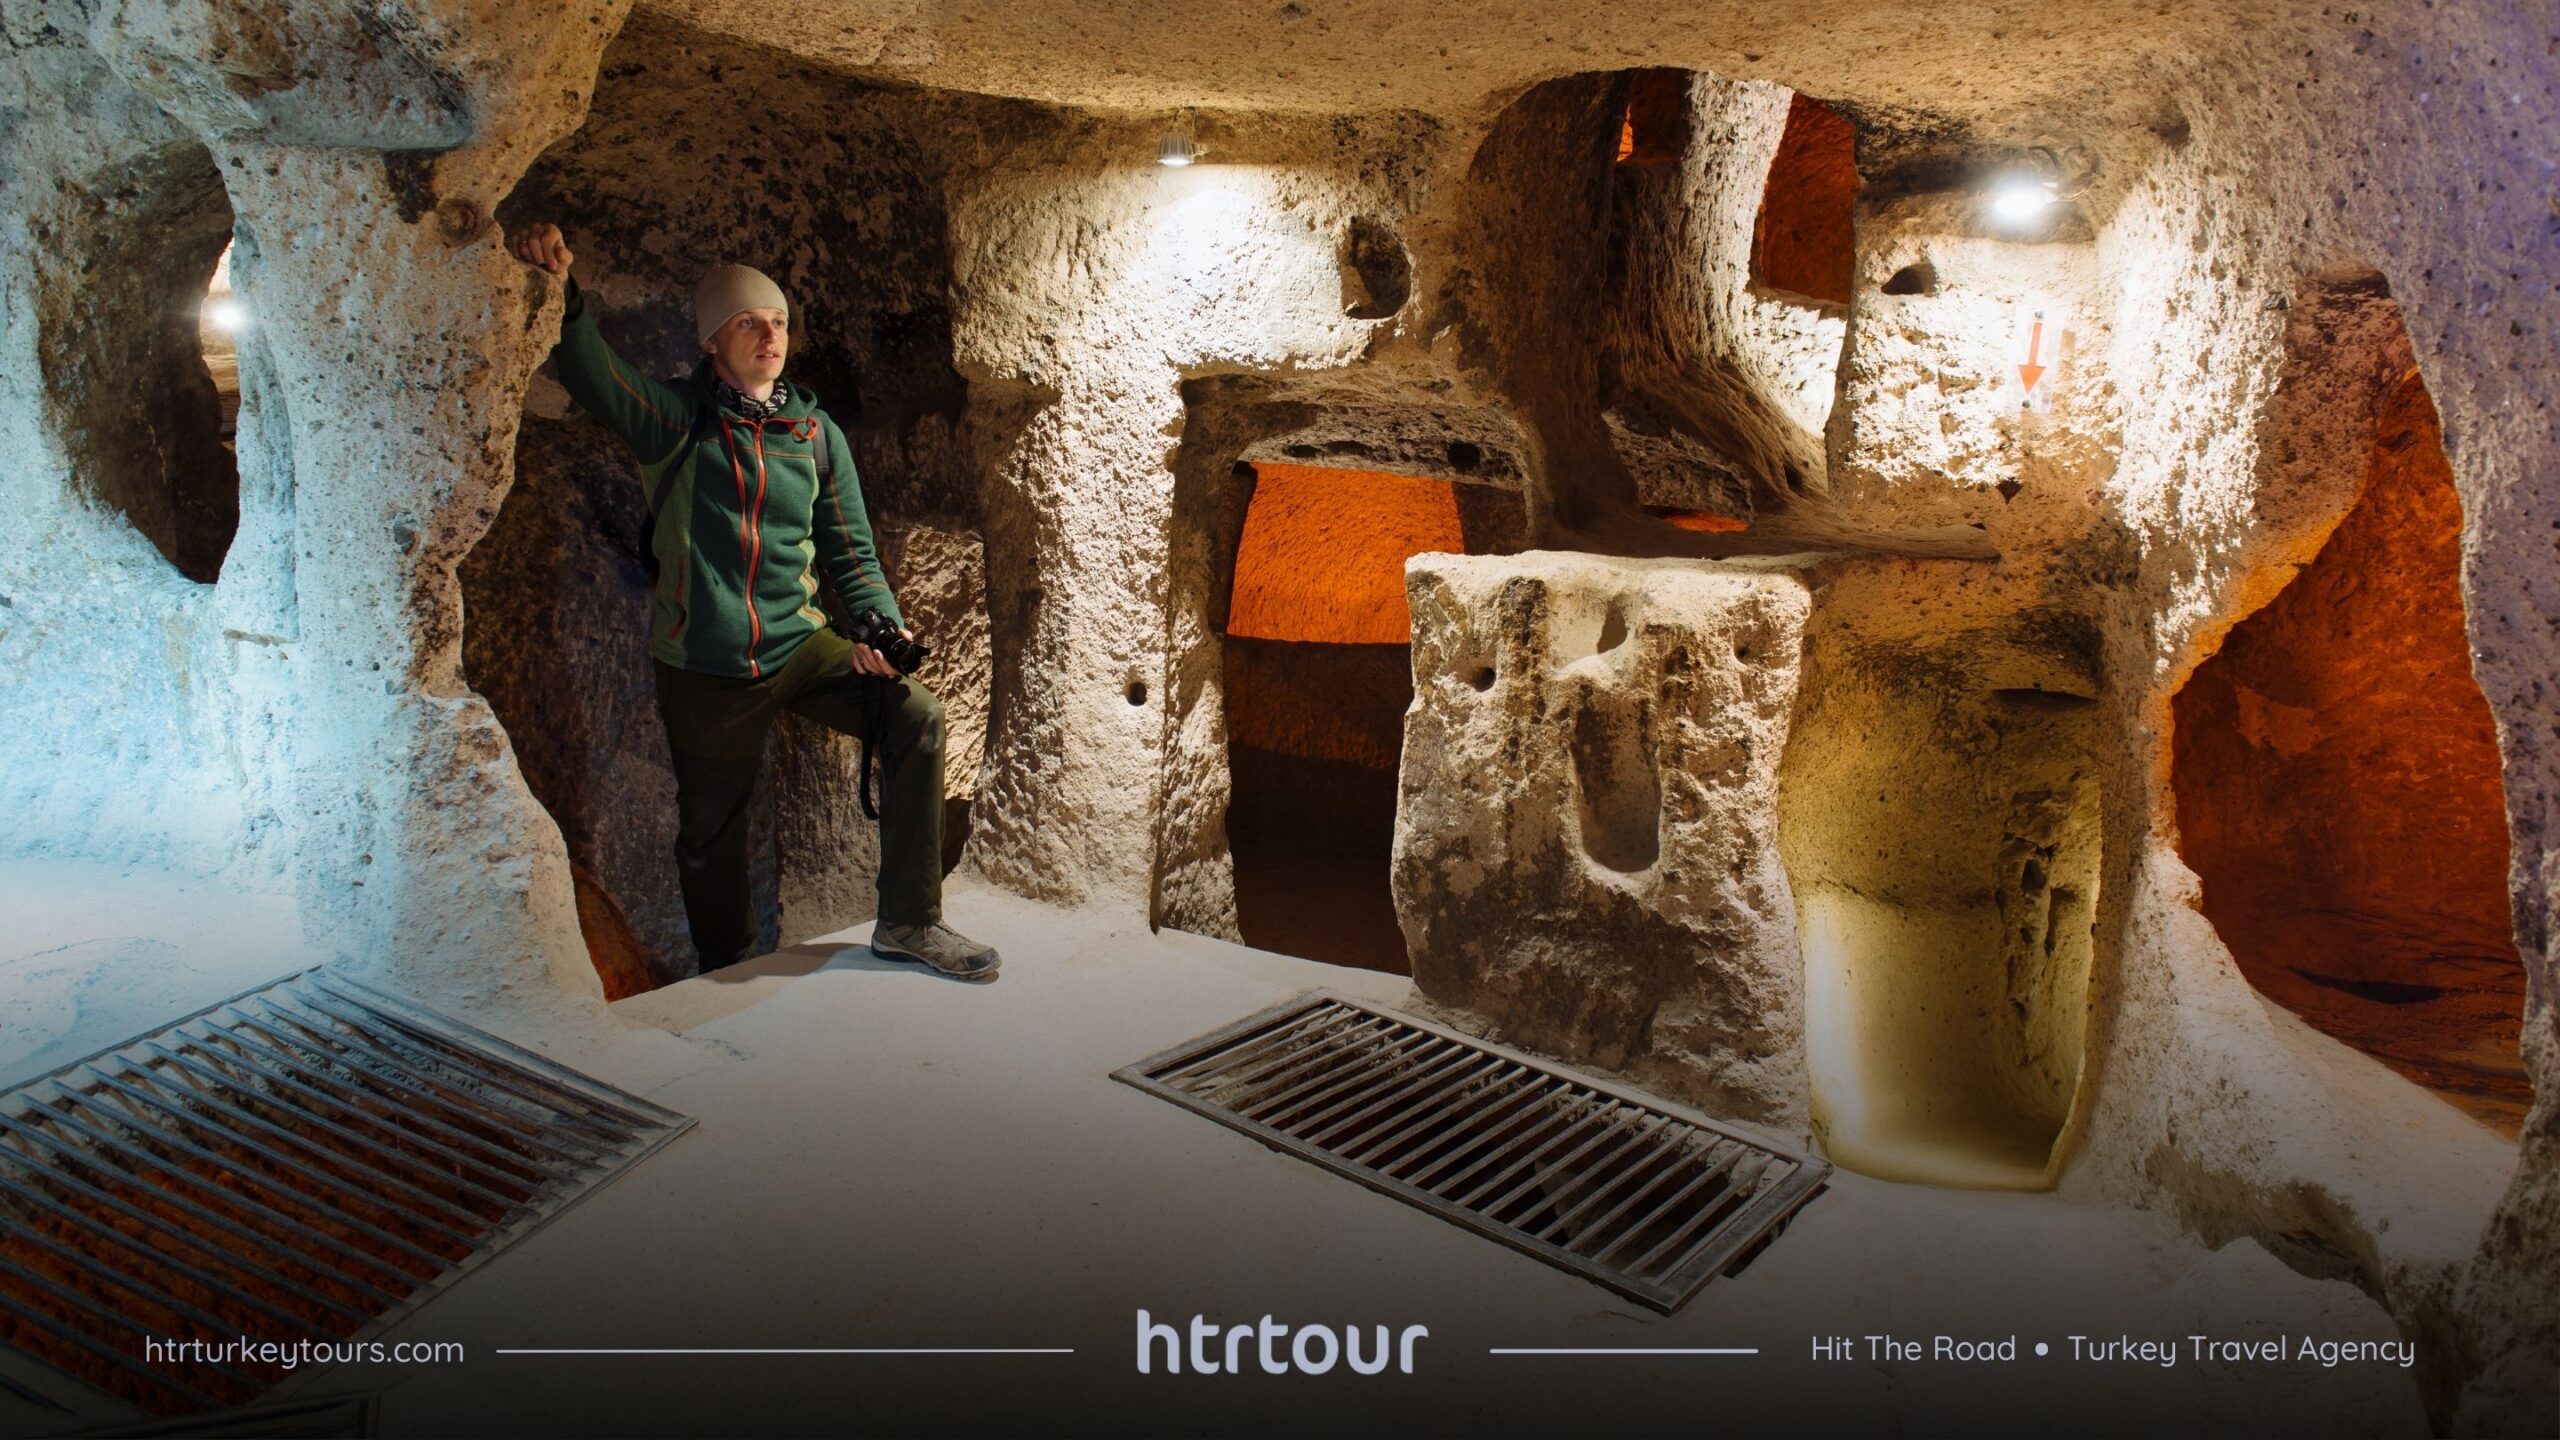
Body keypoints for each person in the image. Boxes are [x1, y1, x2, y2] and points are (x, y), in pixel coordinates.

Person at [507, 221, 999, 984]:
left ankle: (908, 921)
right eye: (747, 322)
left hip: (799, 647)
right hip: (705, 660)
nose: (768, 334)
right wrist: (561, 293)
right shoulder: (676, 420)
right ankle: (726, 970)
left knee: (915, 716)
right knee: (713, 832)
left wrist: (876, 622)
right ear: (711, 340)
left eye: (778, 321)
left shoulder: (813, 432)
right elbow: (597, 375)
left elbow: (850, 550)